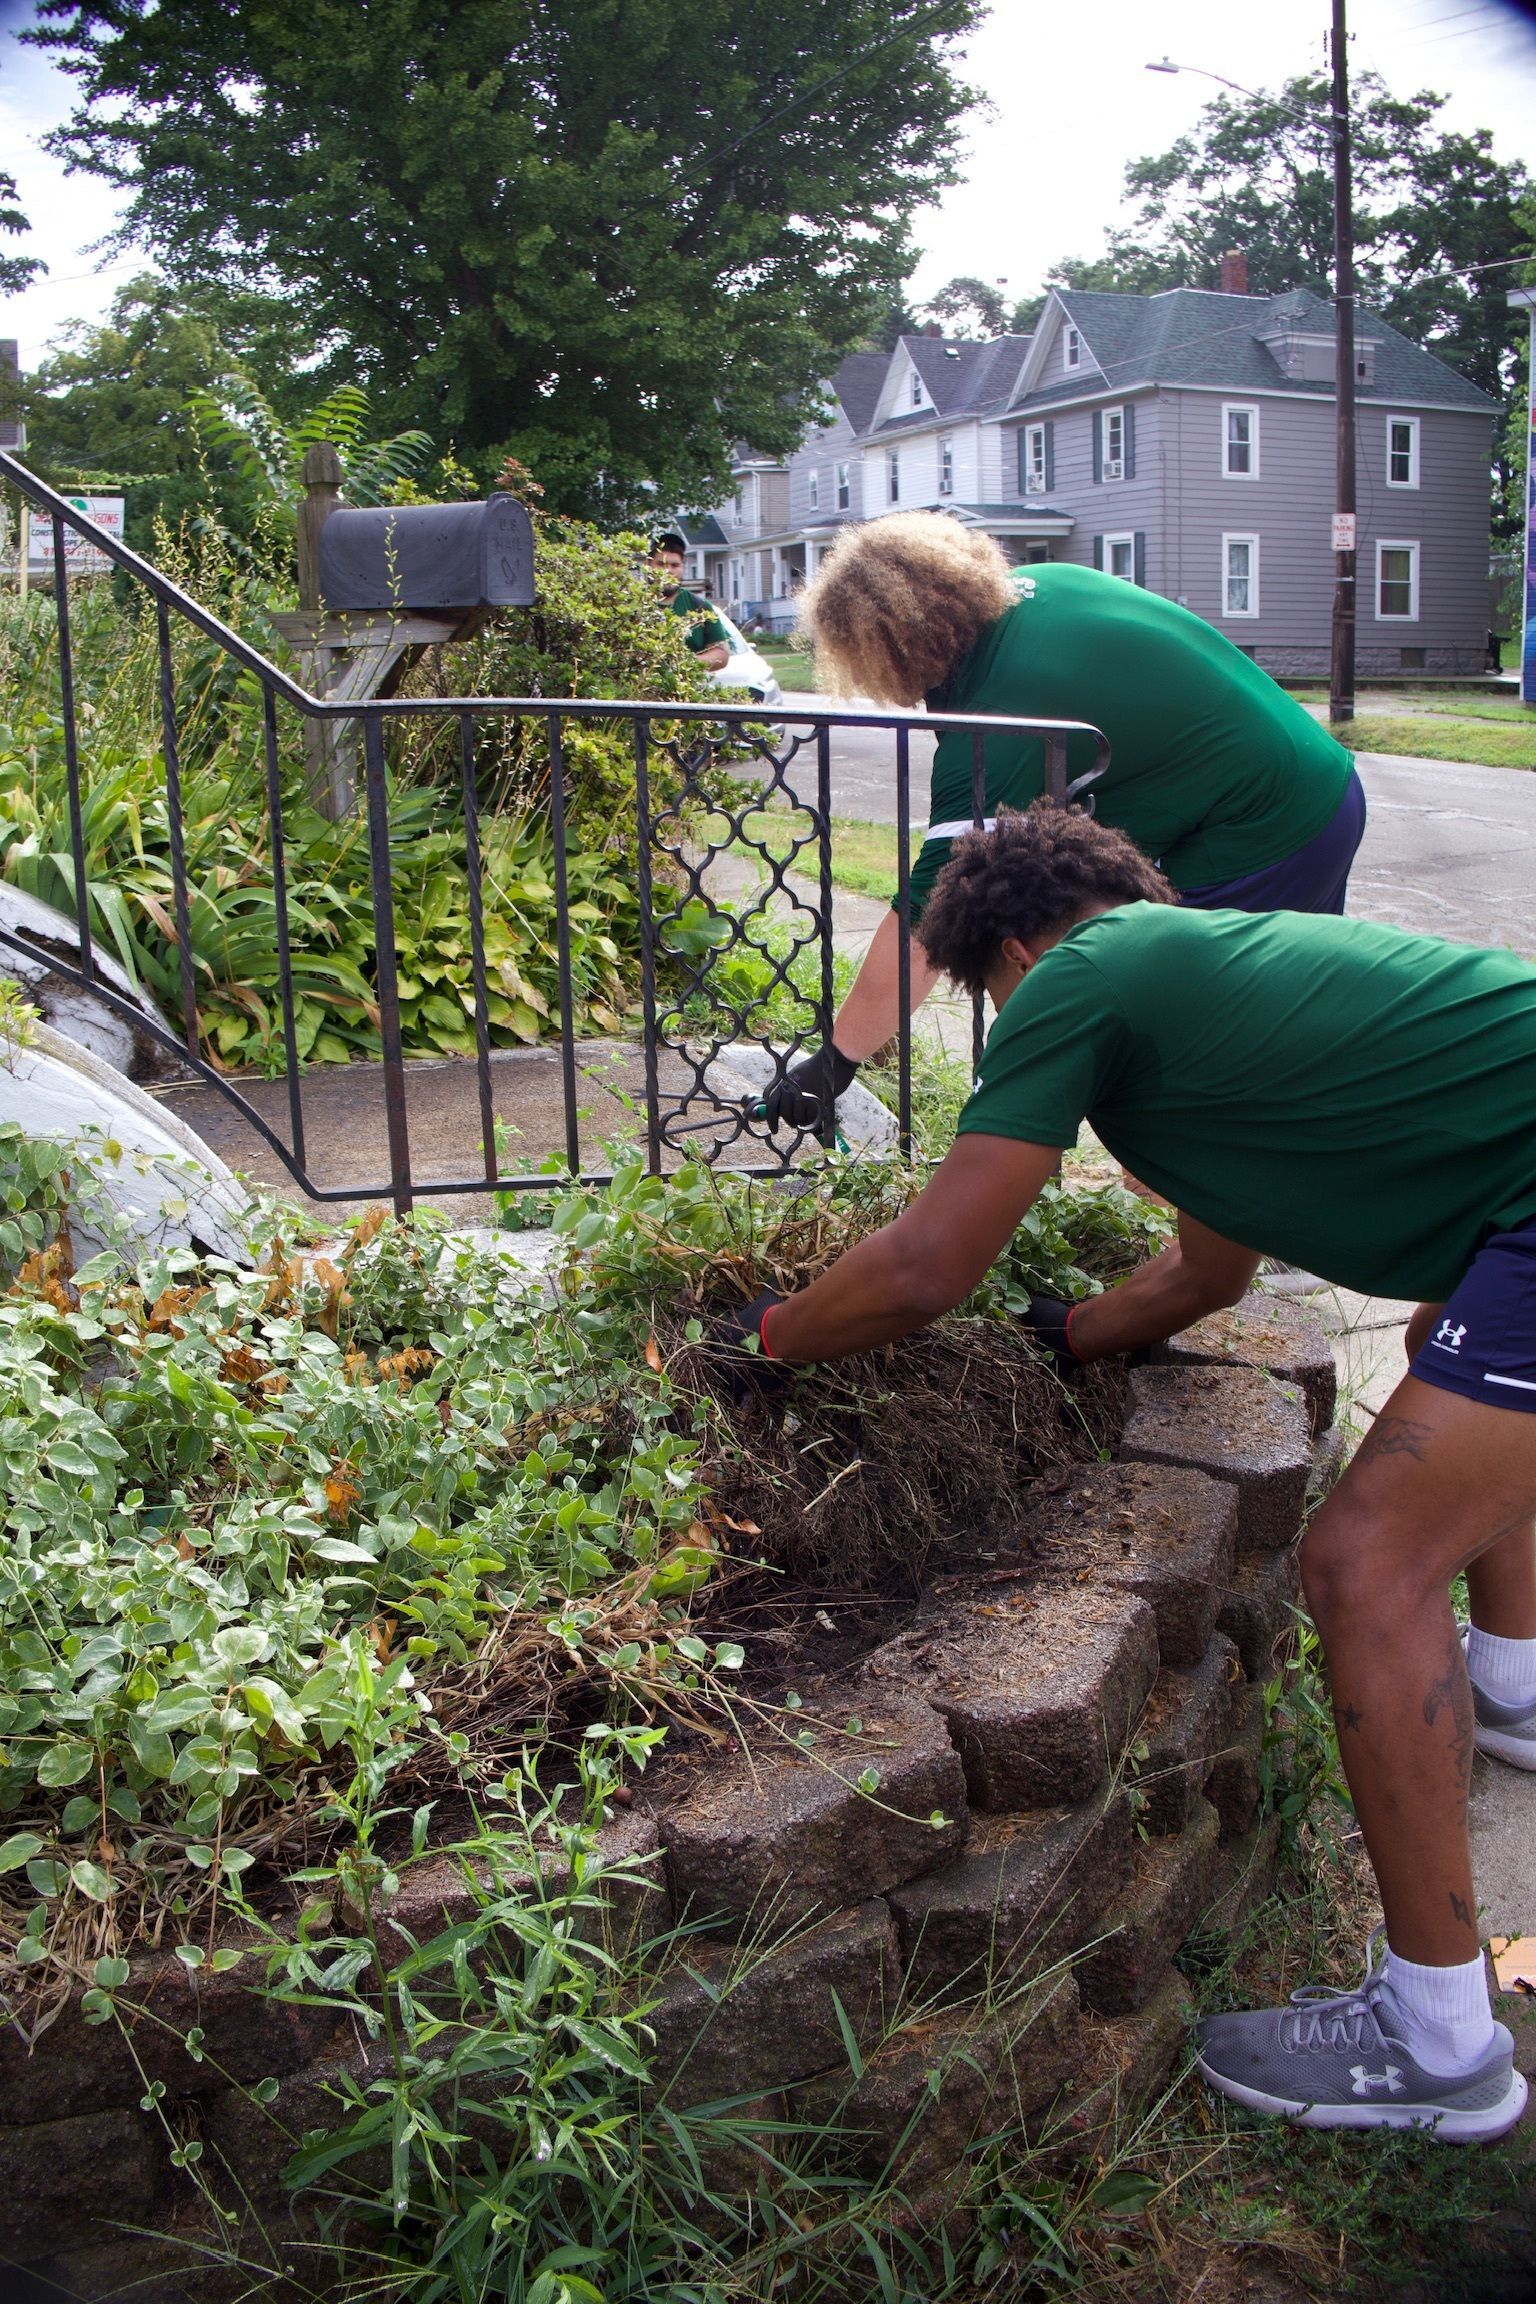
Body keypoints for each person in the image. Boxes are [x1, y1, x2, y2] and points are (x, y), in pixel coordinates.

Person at [730, 804, 1534, 2142]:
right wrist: (1078, 1333)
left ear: (1019, 955)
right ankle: (1515, 1689)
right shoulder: (1207, 1003)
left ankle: (1436, 2040)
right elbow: (1209, 1273)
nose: (1005, 1019)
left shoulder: (1087, 975)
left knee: (1362, 1563)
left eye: (989, 996)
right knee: (1452, 1367)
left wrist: (769, 1336)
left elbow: (932, 1265)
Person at [763, 514, 1367, 1130]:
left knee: (1198, 1067)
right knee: (1285, 1030)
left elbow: (931, 910)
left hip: (1264, 832)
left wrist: (837, 1059)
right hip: (1323, 782)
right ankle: (1314, 1156)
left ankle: (1214, 1200)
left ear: (882, 646)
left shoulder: (1002, 718)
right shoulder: (1038, 586)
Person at [649, 531, 731, 673]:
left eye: (675, 565)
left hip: (684, 692)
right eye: (661, 564)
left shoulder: (700, 607)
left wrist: (684, 663)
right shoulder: (631, 605)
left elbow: (721, 654)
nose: (668, 571)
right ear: (649, 564)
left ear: (683, 566)